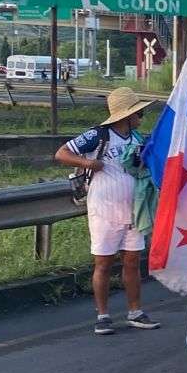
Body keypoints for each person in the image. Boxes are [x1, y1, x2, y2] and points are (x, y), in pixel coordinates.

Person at [53, 88, 161, 336]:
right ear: (126, 115)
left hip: (133, 209)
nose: (141, 116)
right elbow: (62, 153)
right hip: (104, 209)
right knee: (103, 263)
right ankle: (103, 315)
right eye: (138, 112)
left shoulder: (137, 138)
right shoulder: (98, 135)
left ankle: (135, 311)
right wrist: (87, 162)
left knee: (132, 261)